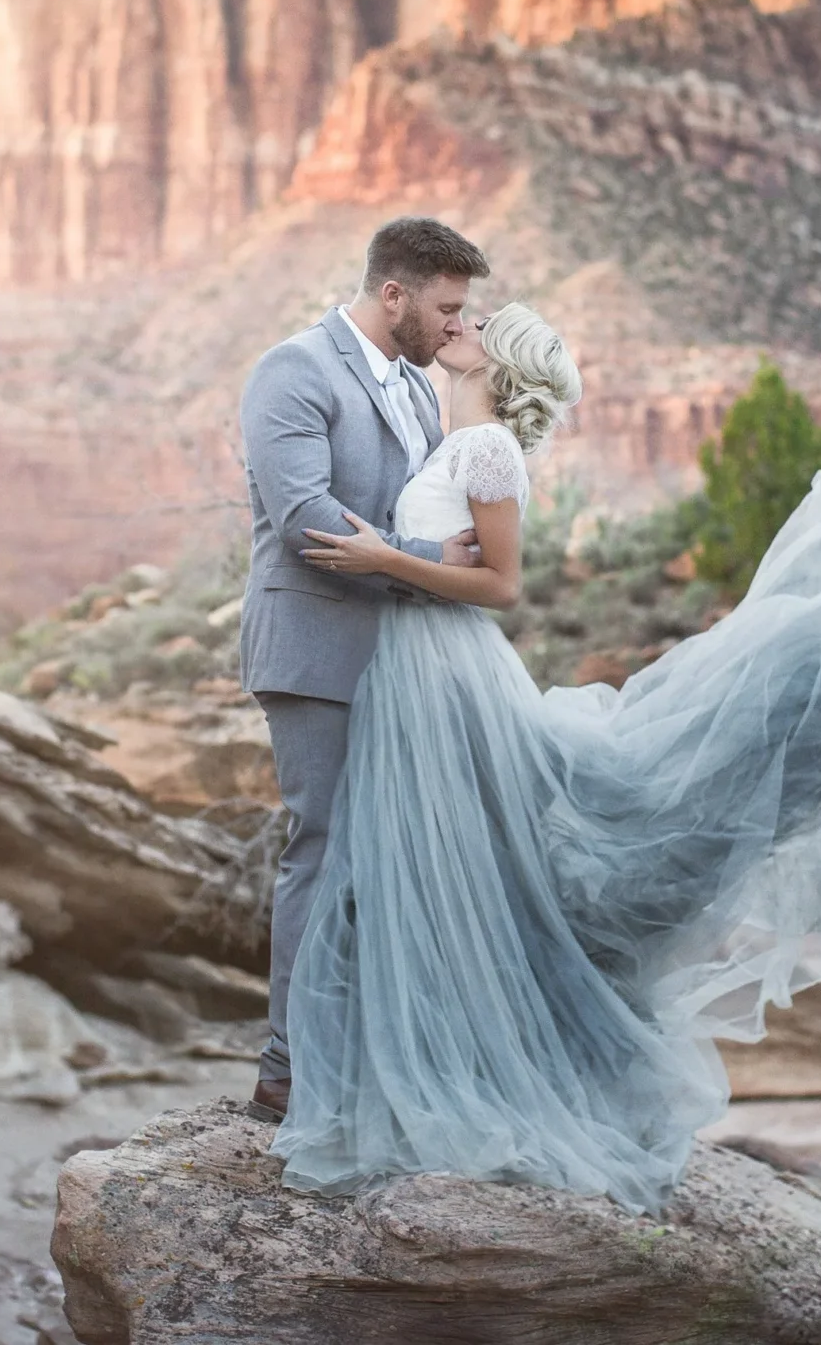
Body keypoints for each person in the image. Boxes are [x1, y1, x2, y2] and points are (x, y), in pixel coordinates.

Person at [272, 303, 821, 1213]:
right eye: (461, 314)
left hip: (443, 665)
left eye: (479, 322)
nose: (460, 323)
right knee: (441, 870)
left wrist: (391, 556)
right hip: (419, 669)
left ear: (498, 364)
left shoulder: (487, 450)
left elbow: (500, 584)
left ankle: (454, 1075)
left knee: (470, 867)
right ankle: (398, 1064)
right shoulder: (449, 432)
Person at [237, 214, 492, 1118]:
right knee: (326, 848)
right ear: (395, 295)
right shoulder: (293, 372)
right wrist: (432, 559)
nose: (458, 327)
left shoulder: (421, 392)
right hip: (316, 649)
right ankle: (287, 1069)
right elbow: (308, 516)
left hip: (401, 655)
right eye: (448, 309)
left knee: (393, 854)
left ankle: (374, 1053)